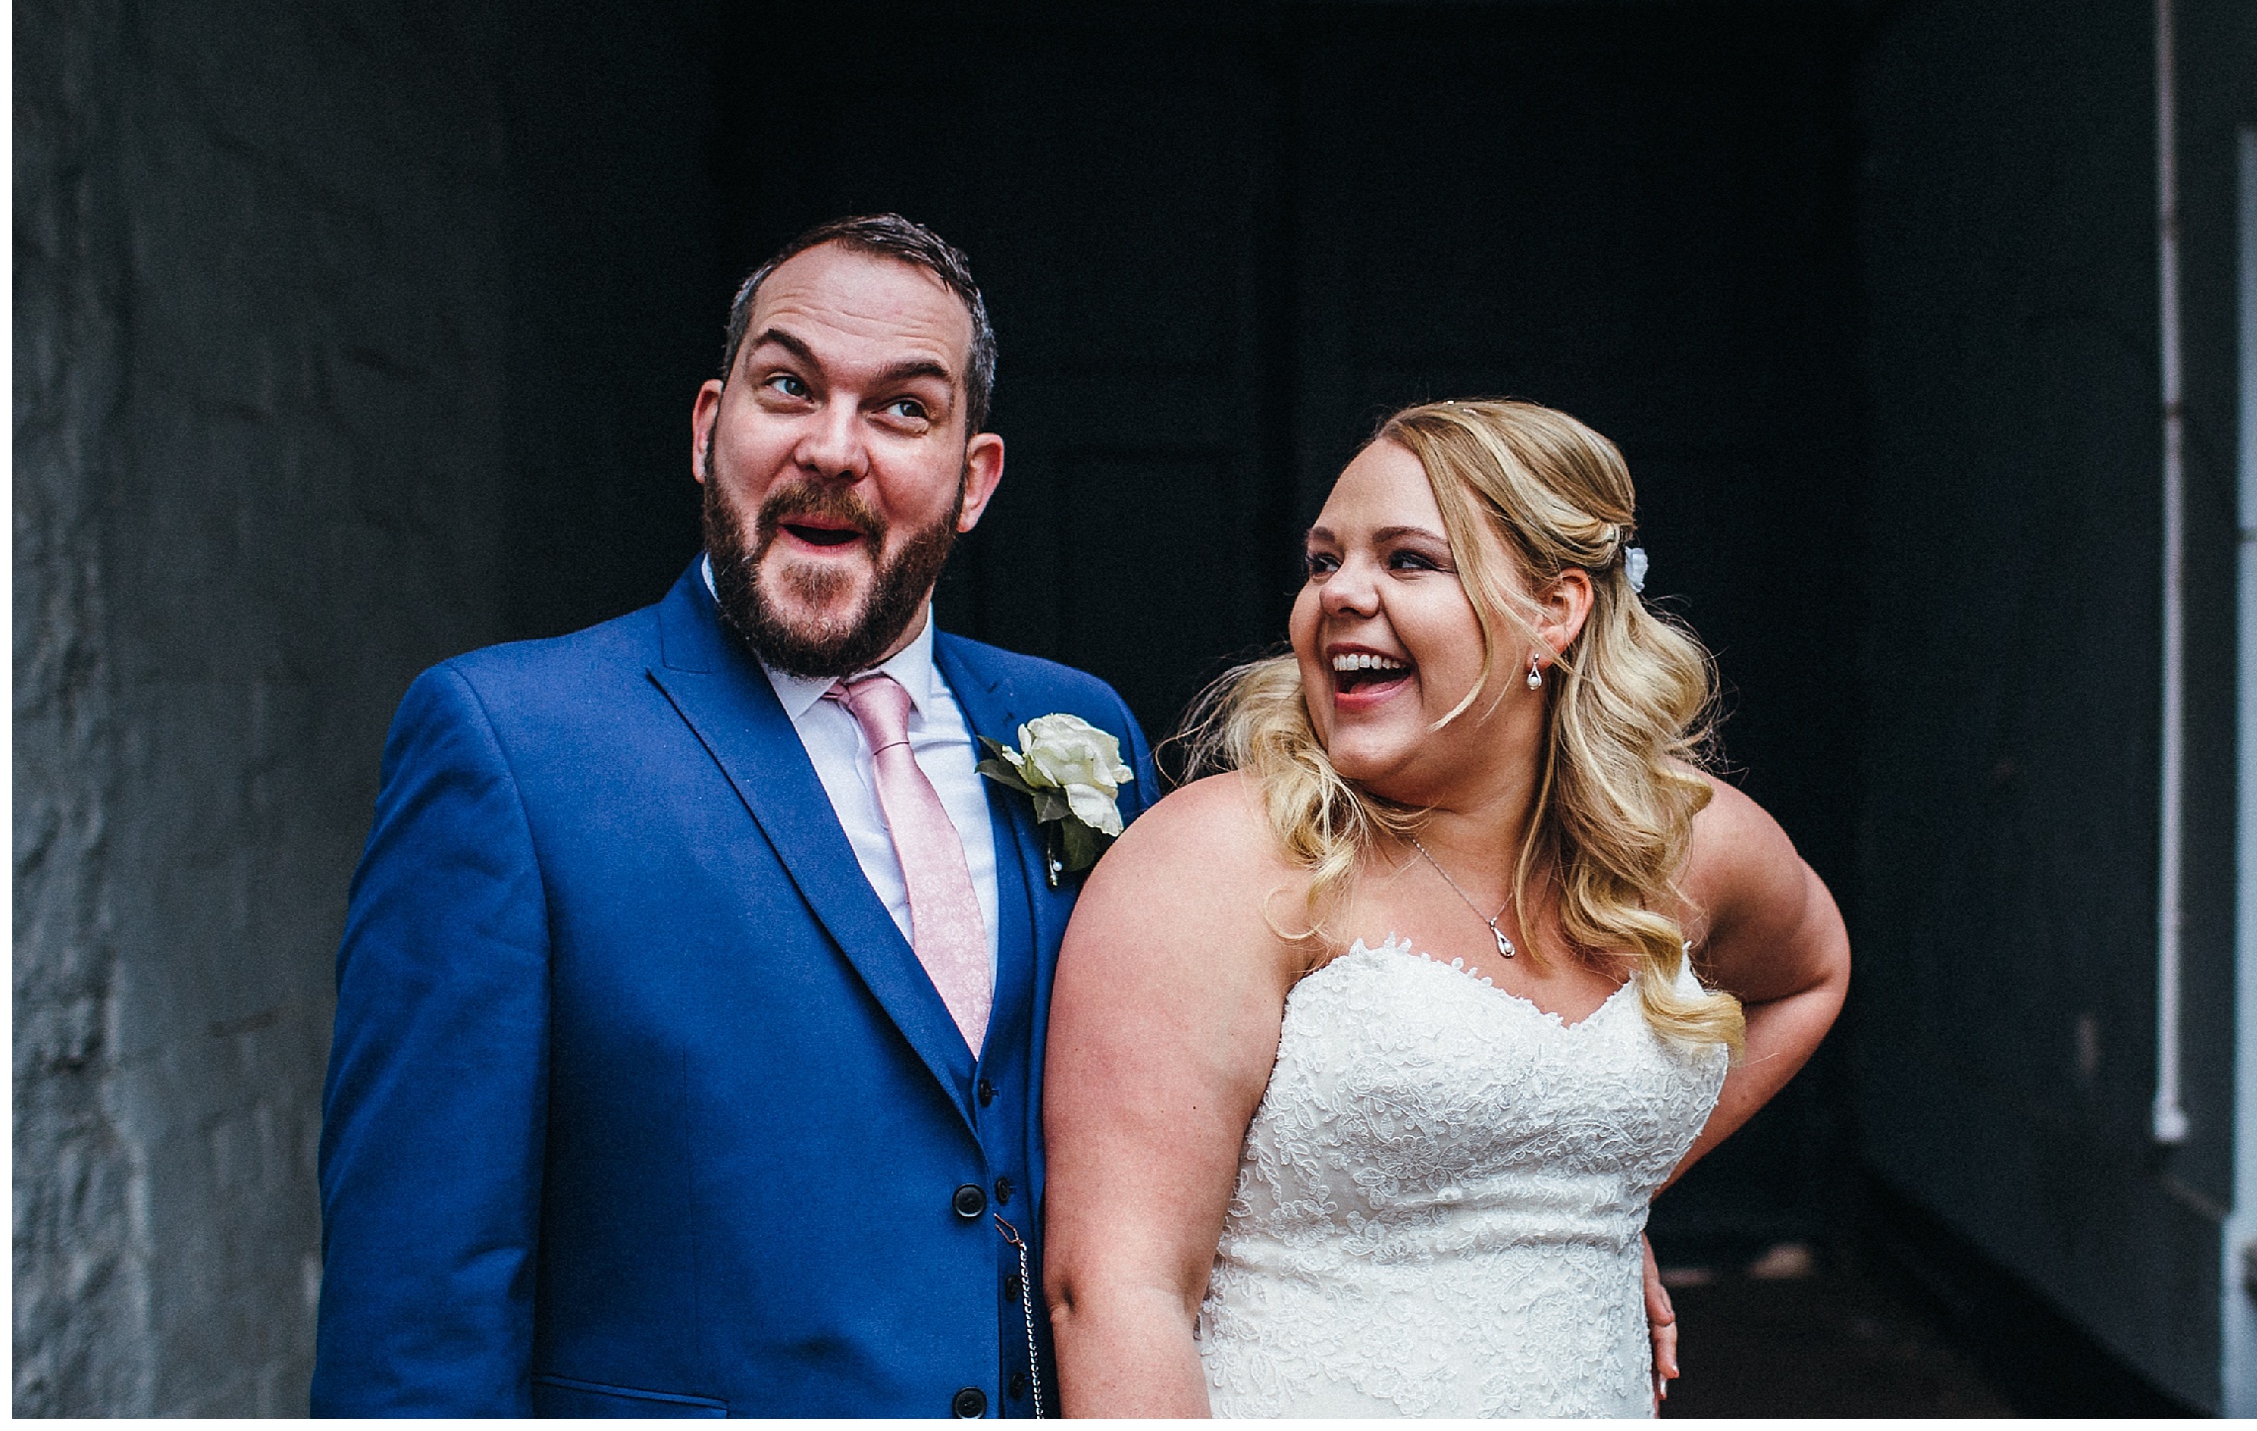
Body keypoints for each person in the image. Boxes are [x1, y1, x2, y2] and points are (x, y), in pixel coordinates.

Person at [311, 214, 1156, 1416]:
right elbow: (418, 1296)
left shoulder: (1082, 729)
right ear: (711, 428)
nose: (832, 447)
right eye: (787, 386)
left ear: (975, 481)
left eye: (904, 409)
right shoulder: (510, 743)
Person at [1040, 399, 1850, 1417]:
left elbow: (1811, 973)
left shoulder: (1683, 842)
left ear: (1554, 612)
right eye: (1324, 560)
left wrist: (1607, 1189)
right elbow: (1116, 1291)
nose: (1340, 594)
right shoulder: (1223, 859)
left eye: (1408, 560)